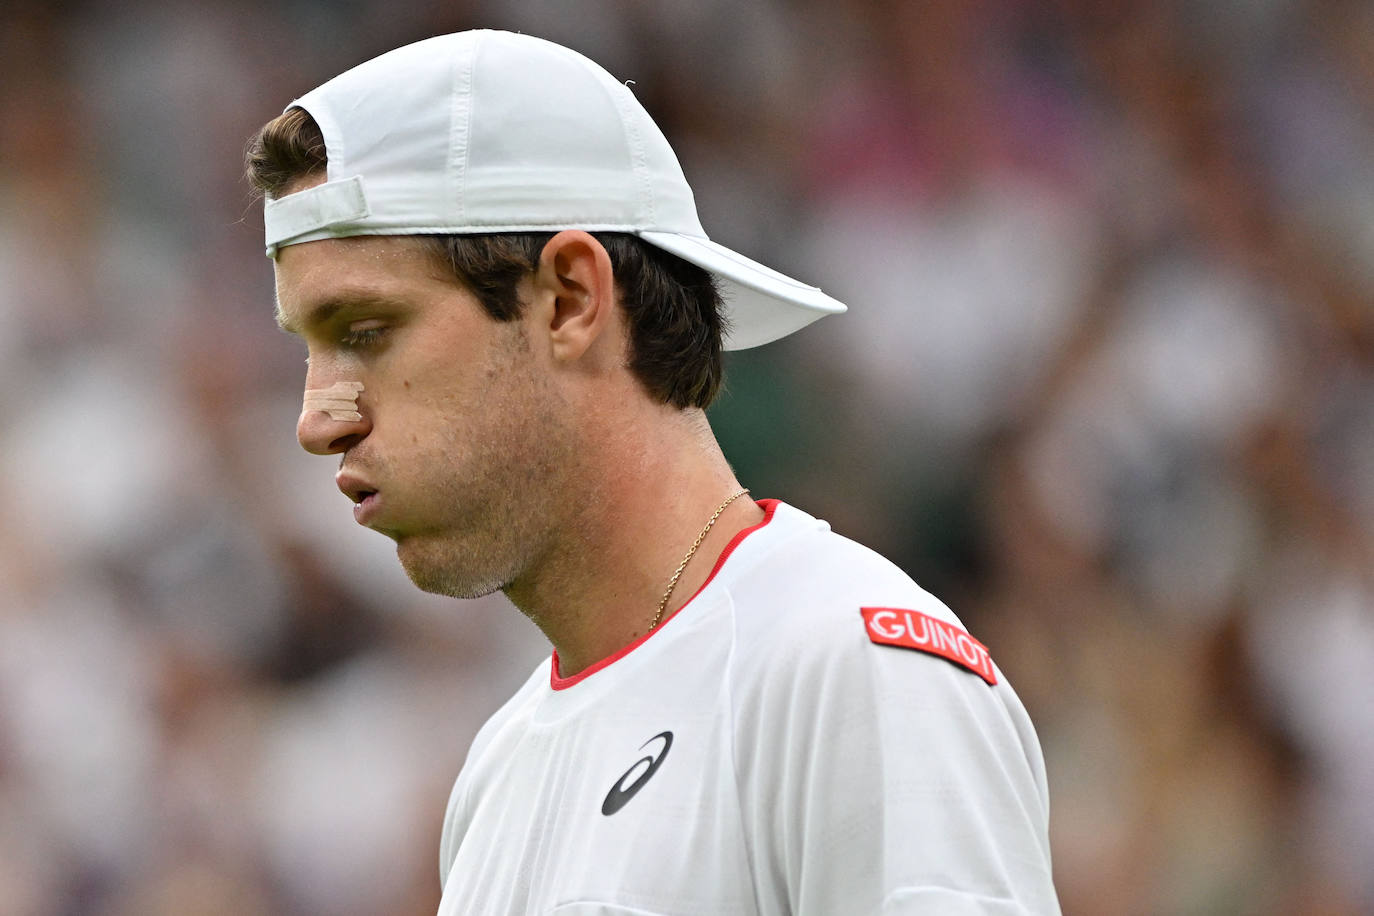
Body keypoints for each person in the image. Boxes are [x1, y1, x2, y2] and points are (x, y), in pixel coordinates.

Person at [246, 29, 1060, 915]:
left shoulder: (852, 669)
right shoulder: (497, 773)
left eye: (365, 332)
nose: (316, 421)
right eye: (310, 351)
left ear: (570, 299)